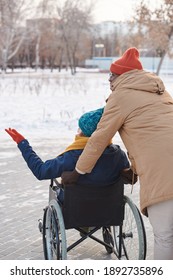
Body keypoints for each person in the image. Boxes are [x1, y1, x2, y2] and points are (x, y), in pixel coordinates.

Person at [61, 47, 173, 260]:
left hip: (163, 175)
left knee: (165, 237)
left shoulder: (121, 96)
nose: (110, 80)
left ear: (123, 76)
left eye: (112, 75)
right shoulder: (159, 93)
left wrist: (77, 171)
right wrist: (134, 169)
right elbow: (154, 136)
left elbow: (98, 139)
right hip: (164, 165)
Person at [5, 107, 132, 203]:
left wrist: (22, 144)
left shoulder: (72, 156)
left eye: (80, 129)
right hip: (108, 206)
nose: (77, 132)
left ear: (84, 133)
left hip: (77, 208)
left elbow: (40, 171)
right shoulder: (118, 154)